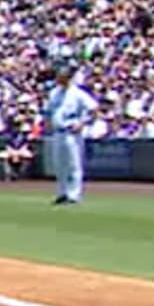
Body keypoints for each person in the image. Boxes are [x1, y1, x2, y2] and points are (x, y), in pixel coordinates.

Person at [43, 62, 97, 206]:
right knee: (59, 165)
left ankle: (74, 195)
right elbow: (48, 111)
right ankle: (62, 193)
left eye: (62, 77)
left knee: (74, 165)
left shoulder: (78, 94)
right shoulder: (54, 93)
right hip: (57, 132)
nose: (59, 79)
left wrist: (82, 123)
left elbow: (93, 109)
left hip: (71, 133)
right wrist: (47, 125)